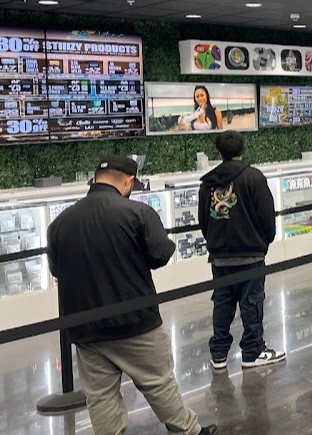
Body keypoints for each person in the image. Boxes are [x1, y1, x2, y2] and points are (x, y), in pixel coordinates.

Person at [47, 156, 216, 435]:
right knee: (159, 382)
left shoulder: (61, 223)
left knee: (100, 396)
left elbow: (56, 269)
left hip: (84, 327)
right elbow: (161, 254)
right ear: (127, 182)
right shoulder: (138, 213)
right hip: (136, 320)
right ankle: (190, 431)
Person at [199, 130, 285, 370]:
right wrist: (264, 242)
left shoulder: (207, 183)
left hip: (219, 258)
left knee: (222, 304)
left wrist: (215, 243)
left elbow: (203, 220)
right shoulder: (254, 178)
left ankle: (218, 355)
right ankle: (252, 351)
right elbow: (267, 216)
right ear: (241, 150)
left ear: (219, 152)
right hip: (251, 255)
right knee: (252, 303)